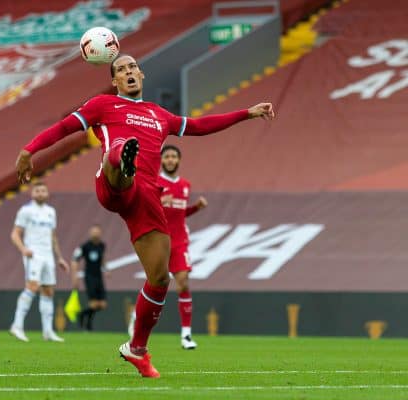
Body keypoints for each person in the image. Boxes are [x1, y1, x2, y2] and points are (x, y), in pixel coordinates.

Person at [15, 54, 275, 377]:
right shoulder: (103, 105)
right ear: (115, 81)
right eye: (120, 69)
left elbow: (199, 126)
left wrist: (246, 113)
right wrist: (29, 151)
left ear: (141, 74)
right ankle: (123, 159)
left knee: (160, 278)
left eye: (131, 67)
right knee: (122, 151)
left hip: (146, 198)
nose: (128, 72)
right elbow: (64, 127)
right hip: (112, 185)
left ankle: (137, 349)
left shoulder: (159, 115)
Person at [129, 145, 207, 349]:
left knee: (183, 283)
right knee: (154, 284)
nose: (171, 160)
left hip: (179, 241)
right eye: (167, 156)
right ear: (162, 160)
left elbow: (178, 214)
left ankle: (186, 336)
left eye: (174, 156)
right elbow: (147, 209)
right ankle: (136, 316)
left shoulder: (185, 185)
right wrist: (161, 201)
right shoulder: (154, 182)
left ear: (179, 160)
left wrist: (195, 208)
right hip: (158, 240)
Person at [9, 181, 69, 343]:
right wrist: (23, 249)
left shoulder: (51, 212)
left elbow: (53, 236)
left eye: (43, 191)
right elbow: (15, 234)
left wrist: (60, 258)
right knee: (33, 286)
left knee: (48, 291)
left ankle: (48, 331)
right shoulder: (26, 211)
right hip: (33, 254)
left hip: (48, 255)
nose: (41, 193)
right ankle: (17, 325)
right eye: (37, 191)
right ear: (32, 193)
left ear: (47, 194)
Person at [71, 224, 108, 331]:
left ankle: (82, 314)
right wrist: (75, 276)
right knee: (94, 303)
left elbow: (103, 258)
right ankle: (88, 325)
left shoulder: (102, 245)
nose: (95, 234)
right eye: (93, 232)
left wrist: (106, 269)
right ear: (90, 233)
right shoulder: (85, 246)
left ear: (100, 233)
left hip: (99, 277)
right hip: (89, 277)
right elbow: (75, 260)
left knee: (102, 304)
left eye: (97, 232)